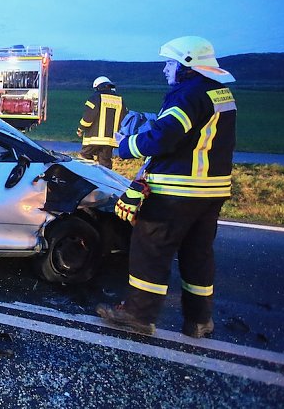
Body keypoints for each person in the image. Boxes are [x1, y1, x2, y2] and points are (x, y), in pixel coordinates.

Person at [96, 36, 236, 338]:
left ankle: (138, 315)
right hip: (212, 190)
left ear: (187, 64)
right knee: (198, 255)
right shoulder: (220, 93)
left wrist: (126, 145)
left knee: (150, 249)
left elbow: (164, 137)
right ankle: (199, 320)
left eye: (170, 63)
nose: (165, 69)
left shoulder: (187, 94)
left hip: (176, 191)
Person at [76, 76, 128, 169]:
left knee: (84, 158)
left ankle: (89, 175)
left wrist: (81, 129)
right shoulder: (120, 100)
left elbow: (88, 117)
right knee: (105, 163)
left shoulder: (95, 98)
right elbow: (125, 118)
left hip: (93, 139)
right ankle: (105, 177)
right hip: (110, 140)